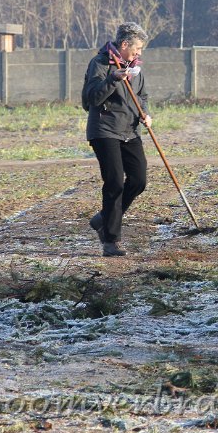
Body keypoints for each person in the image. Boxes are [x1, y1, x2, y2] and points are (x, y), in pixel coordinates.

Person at [83, 22, 152, 257]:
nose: (139, 53)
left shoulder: (135, 68)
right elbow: (91, 98)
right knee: (114, 183)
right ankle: (111, 240)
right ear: (124, 44)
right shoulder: (100, 64)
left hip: (130, 131)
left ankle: (104, 218)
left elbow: (142, 96)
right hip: (104, 130)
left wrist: (146, 113)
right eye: (137, 48)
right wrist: (112, 79)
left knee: (139, 179)